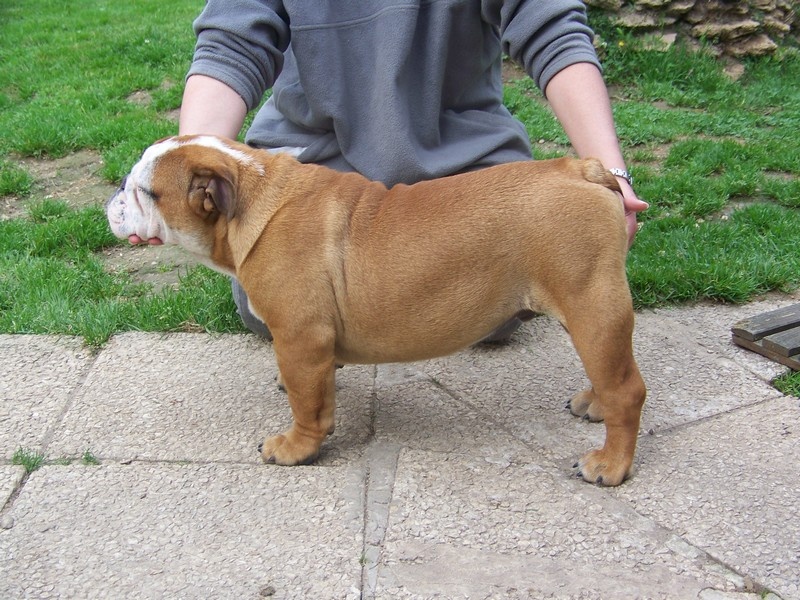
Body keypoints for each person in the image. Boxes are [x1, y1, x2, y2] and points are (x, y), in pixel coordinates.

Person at [172, 0, 649, 341]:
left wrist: (613, 175)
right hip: (315, 162)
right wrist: (189, 176)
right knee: (268, 307)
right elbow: (231, 44)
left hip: (459, 167)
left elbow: (552, 27)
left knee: (500, 298)